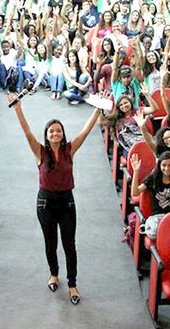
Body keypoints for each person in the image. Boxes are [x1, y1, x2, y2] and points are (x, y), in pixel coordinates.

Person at [8, 91, 101, 305]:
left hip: (67, 201)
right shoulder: (40, 152)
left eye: (58, 130)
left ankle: (72, 284)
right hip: (45, 202)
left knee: (69, 244)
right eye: (51, 131)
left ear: (63, 133)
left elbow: (86, 131)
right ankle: (53, 273)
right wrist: (18, 109)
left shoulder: (70, 149)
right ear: (47, 134)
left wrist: (98, 109)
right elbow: (27, 133)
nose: (55, 133)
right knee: (50, 242)